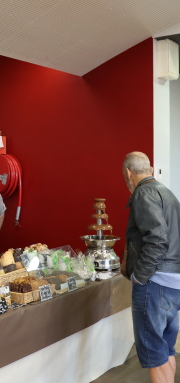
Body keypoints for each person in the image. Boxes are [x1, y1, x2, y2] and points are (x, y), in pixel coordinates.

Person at [122, 151, 180, 383]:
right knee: (166, 348)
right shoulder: (167, 192)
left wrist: (140, 276)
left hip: (155, 283)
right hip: (173, 282)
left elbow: (157, 239)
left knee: (154, 352)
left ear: (128, 173)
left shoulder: (143, 193)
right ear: (151, 169)